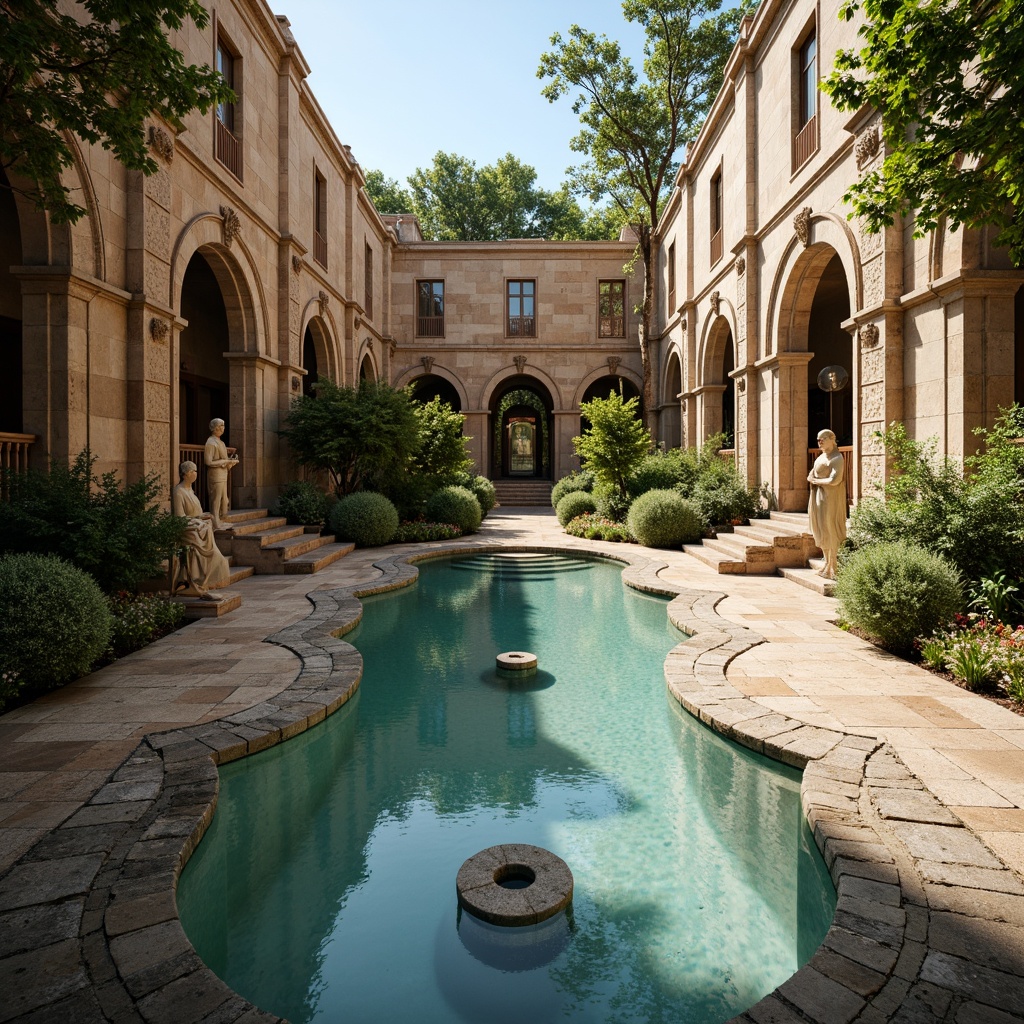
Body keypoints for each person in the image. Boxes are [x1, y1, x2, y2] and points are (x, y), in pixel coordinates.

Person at [172, 461, 230, 600]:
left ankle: (203, 586)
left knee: (217, 556)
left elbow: (194, 514)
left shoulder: (190, 490)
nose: (195, 474)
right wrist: (198, 522)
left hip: (198, 530)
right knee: (211, 555)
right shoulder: (178, 492)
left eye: (196, 471)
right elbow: (180, 518)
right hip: (189, 532)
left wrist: (201, 517)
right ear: (185, 474)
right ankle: (198, 586)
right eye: (193, 471)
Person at [806, 428, 847, 579]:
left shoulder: (837, 458)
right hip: (818, 496)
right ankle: (826, 562)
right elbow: (812, 473)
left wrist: (816, 481)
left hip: (830, 498)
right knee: (821, 529)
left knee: (830, 527)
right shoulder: (821, 457)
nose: (820, 442)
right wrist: (812, 478)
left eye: (823, 439)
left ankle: (833, 566)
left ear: (832, 439)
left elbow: (835, 480)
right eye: (818, 439)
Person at [204, 417, 238, 529]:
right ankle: (215, 522)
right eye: (221, 426)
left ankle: (221, 520)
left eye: (223, 426)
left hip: (223, 474)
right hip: (215, 475)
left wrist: (230, 462)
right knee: (216, 500)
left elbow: (223, 460)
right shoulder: (211, 442)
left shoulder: (221, 443)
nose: (223, 428)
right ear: (215, 428)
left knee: (224, 499)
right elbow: (208, 461)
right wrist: (225, 461)